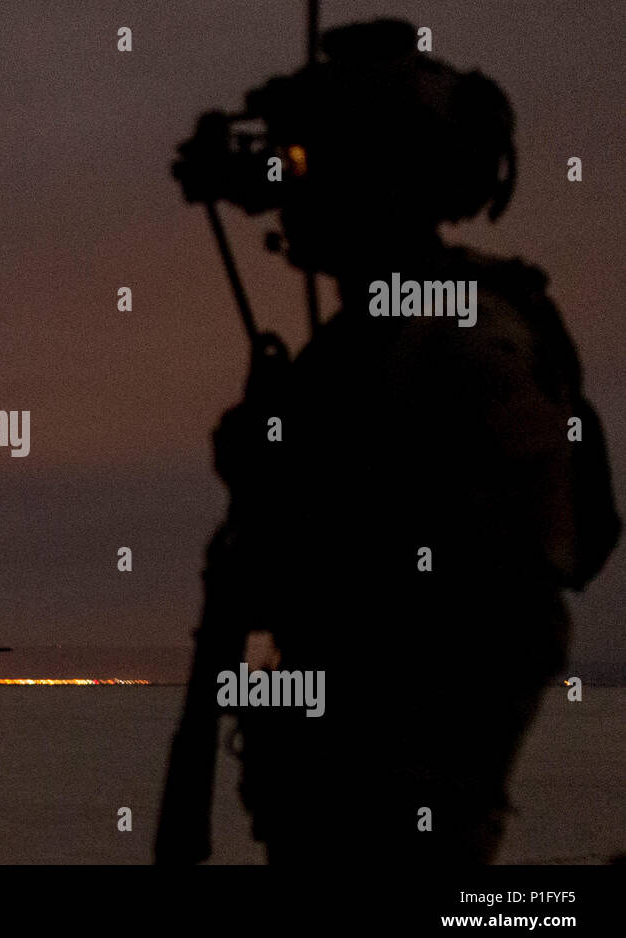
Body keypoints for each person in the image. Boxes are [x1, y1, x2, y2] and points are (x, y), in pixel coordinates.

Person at [158, 19, 619, 865]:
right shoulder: (378, 339)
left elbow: (502, 585)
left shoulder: (455, 334)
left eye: (310, 169)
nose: (288, 194)